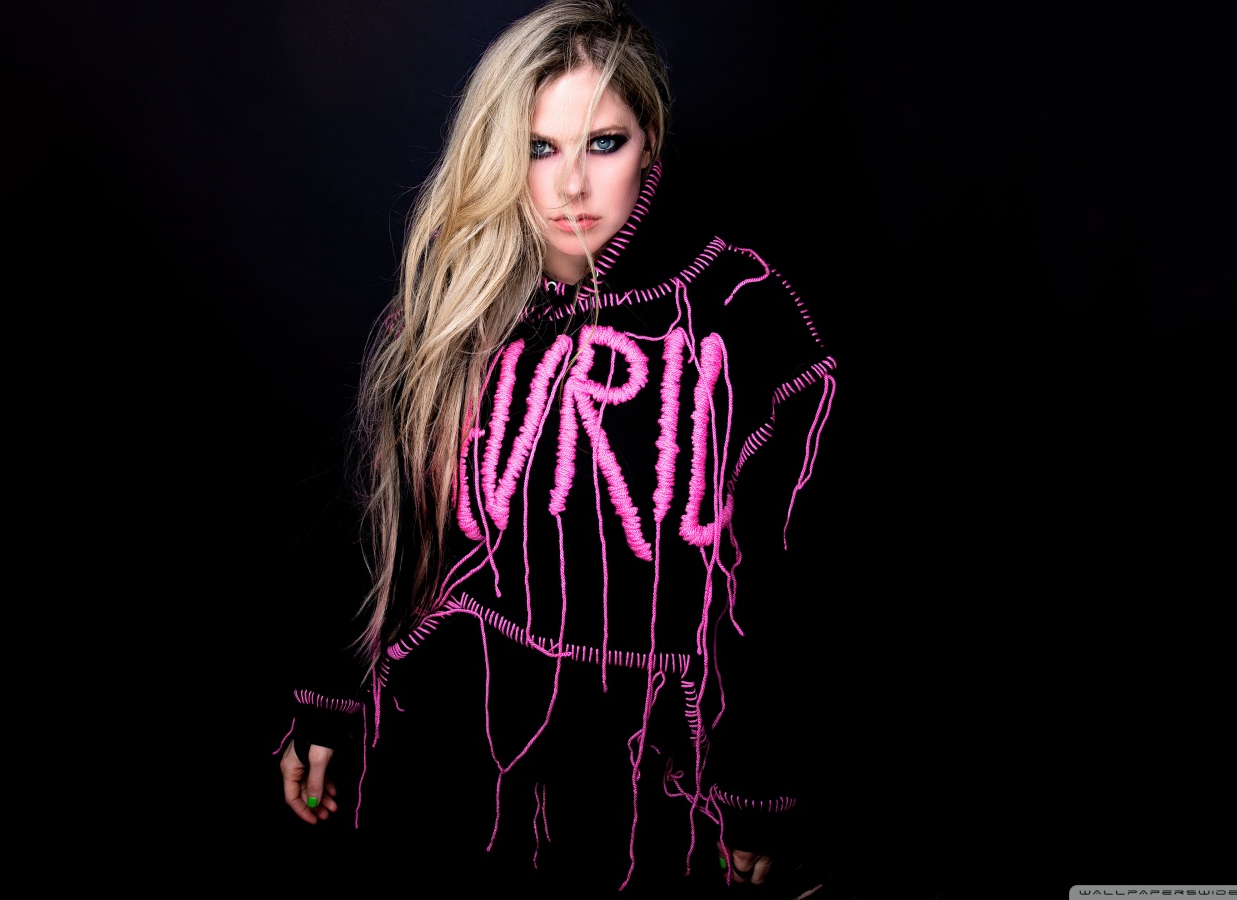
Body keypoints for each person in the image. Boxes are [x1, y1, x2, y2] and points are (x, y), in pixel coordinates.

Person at [274, 1, 844, 894]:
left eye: (602, 144)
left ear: (650, 142)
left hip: (655, 781)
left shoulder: (744, 314)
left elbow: (781, 575)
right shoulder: (458, 302)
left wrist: (756, 790)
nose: (571, 185)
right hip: (446, 751)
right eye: (540, 148)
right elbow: (379, 517)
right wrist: (328, 702)